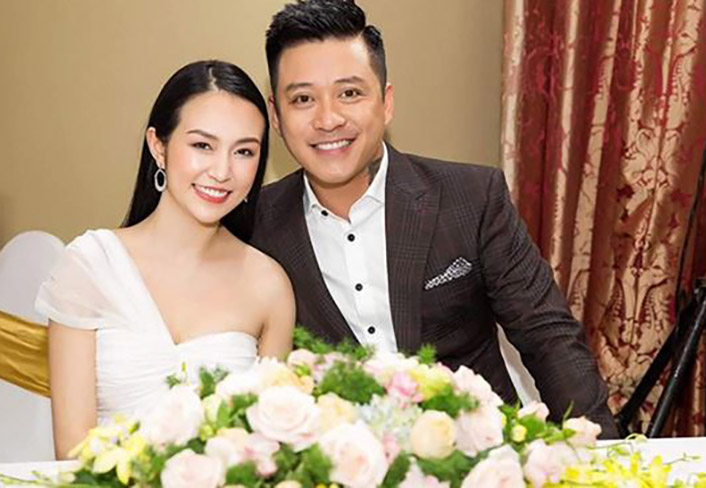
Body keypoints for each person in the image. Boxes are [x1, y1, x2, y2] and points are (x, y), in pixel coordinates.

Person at [251, 0, 619, 437]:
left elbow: (548, 336)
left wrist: (603, 455)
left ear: (386, 102)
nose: (328, 119)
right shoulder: (254, 227)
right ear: (276, 116)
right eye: (303, 99)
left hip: (481, 454)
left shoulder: (471, 197)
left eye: (350, 93)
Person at [36, 60, 295, 458]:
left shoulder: (269, 285)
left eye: (244, 151)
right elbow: (72, 450)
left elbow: (270, 451)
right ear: (158, 146)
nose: (222, 171)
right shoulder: (90, 266)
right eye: (202, 145)